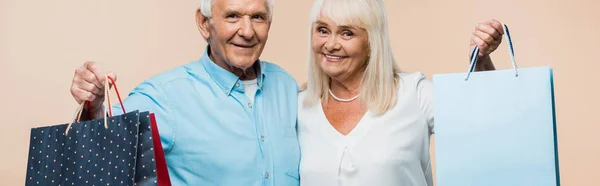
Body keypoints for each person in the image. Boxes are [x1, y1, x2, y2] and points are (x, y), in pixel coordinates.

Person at [69, 0, 301, 185]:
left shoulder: (286, 86)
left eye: (257, 17)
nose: (247, 31)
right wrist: (94, 105)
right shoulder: (166, 95)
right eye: (233, 16)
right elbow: (99, 143)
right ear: (203, 23)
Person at [297, 0, 503, 185]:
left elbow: (482, 127)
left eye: (347, 33)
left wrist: (481, 61)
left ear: (371, 41)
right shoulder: (298, 107)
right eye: (323, 30)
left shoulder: (414, 93)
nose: (331, 45)